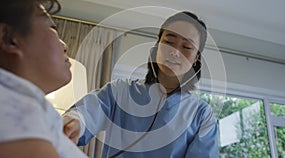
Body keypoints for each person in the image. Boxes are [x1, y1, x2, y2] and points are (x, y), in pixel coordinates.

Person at [63, 11, 219, 158]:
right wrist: (76, 121)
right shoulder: (120, 90)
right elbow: (88, 112)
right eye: (169, 42)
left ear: (196, 57)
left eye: (186, 47)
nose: (175, 52)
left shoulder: (202, 115)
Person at [0, 0, 87, 157]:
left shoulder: (27, 108)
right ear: (10, 38)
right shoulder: (15, 107)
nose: (65, 46)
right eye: (52, 28)